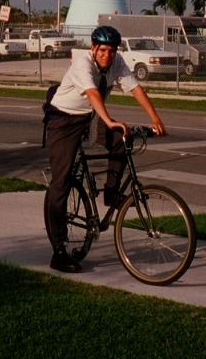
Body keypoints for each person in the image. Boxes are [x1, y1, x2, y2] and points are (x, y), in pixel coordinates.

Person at [44, 25, 166, 273]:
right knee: (61, 184)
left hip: (90, 116)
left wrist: (155, 119)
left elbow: (135, 89)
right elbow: (92, 93)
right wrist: (109, 120)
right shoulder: (82, 64)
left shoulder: (117, 62)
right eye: (102, 50)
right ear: (93, 48)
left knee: (122, 138)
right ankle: (58, 252)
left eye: (111, 51)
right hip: (63, 120)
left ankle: (111, 193)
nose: (107, 55)